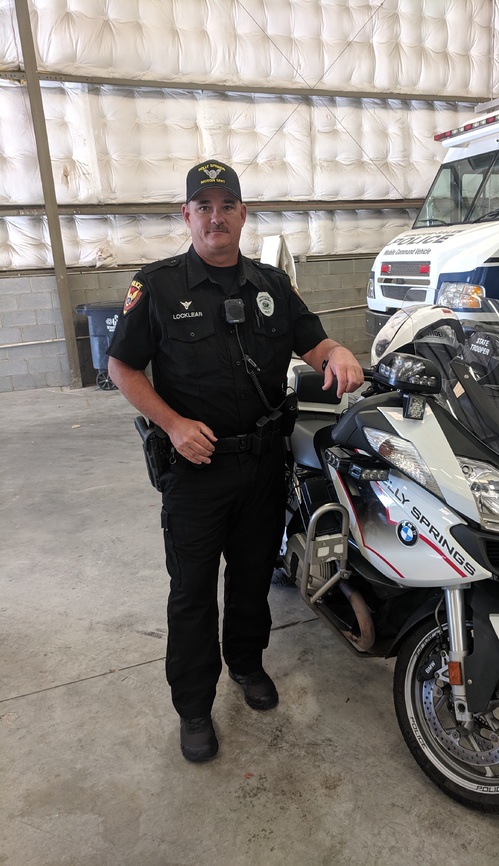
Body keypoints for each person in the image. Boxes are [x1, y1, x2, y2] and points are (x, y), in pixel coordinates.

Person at [107, 160, 364, 763]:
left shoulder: (272, 285)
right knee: (192, 591)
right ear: (187, 215)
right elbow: (122, 366)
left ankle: (246, 664)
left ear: (244, 214)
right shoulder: (158, 286)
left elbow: (315, 342)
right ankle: (194, 706)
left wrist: (339, 352)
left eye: (227, 206)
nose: (215, 217)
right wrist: (172, 425)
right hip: (195, 470)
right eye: (204, 206)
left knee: (251, 579)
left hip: (263, 463)